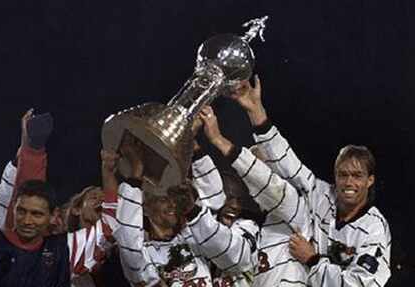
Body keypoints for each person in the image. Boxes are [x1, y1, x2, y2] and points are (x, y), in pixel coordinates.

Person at [231, 76, 391, 286]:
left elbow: (361, 284)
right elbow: (287, 162)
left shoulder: (374, 227)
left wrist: (313, 259)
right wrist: (255, 111)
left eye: (357, 175)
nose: (349, 182)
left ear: (370, 180)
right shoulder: (322, 196)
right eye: (343, 174)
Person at [0, 109, 121, 287]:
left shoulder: (63, 252)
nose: (27, 220)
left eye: (36, 214)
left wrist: (108, 172)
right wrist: (31, 150)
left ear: (52, 216)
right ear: (14, 209)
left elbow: (108, 228)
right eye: (21, 211)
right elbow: (22, 181)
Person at [114, 128, 258, 287]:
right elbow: (127, 241)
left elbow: (215, 200)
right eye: (162, 199)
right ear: (145, 209)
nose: (172, 203)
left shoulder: (191, 237)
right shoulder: (146, 253)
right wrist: (136, 174)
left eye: (172, 198)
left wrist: (192, 147)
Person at [200, 106, 312, 286]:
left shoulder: (297, 209)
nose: (252, 177)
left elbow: (269, 185)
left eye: (260, 167)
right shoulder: (252, 224)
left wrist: (218, 140)